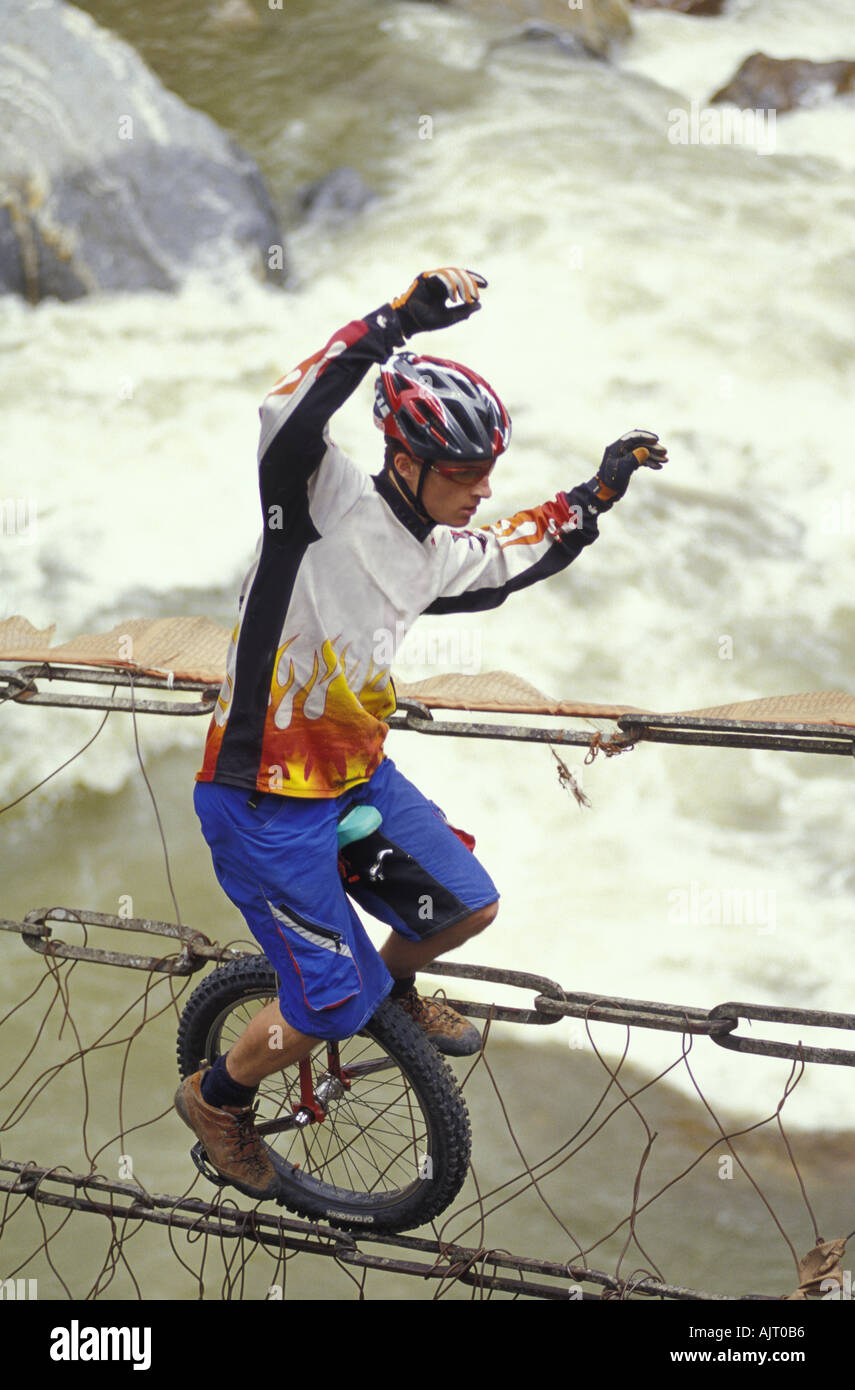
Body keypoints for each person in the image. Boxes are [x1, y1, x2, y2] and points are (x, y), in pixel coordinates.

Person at [174, 267, 667, 1198]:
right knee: (323, 1003)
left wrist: (595, 494)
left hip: (357, 782)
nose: (482, 490)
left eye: (488, 472)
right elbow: (286, 408)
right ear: (405, 458)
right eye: (464, 473)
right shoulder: (315, 499)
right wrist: (393, 321)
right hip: (261, 800)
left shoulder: (434, 552)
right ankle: (219, 1096)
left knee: (467, 905)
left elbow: (518, 553)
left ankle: (388, 989)